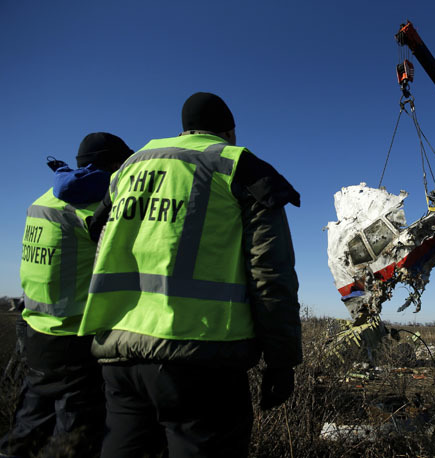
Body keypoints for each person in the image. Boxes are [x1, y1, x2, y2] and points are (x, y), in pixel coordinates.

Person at [79, 92, 302, 457]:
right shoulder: (239, 167)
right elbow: (270, 273)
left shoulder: (130, 168)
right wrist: (281, 360)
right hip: (201, 361)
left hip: (120, 358)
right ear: (229, 132)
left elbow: (96, 232)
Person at [1, 133, 133, 457]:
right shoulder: (96, 206)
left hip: (34, 334)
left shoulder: (44, 199)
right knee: (74, 438)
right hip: (74, 338)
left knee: (28, 426)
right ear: (113, 166)